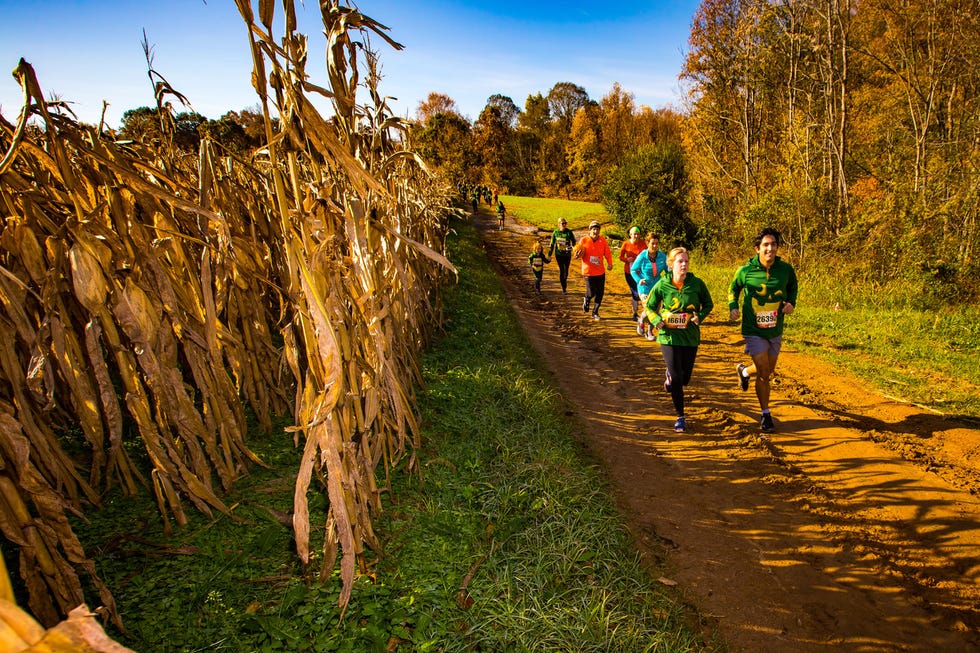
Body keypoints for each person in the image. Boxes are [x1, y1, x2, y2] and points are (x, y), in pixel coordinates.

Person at [728, 226, 799, 434]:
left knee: (767, 369)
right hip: (753, 329)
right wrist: (733, 307)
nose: (770, 249)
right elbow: (733, 289)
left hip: (775, 329)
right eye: (766, 245)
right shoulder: (745, 271)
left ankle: (743, 370)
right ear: (757, 248)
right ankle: (766, 414)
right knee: (765, 373)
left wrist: (791, 303)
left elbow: (793, 288)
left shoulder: (785, 270)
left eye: (774, 244)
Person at [647, 247, 713, 433]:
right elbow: (650, 306)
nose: (683, 265)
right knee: (677, 378)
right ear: (671, 265)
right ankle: (680, 416)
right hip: (668, 336)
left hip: (690, 336)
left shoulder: (697, 284)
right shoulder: (662, 285)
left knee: (685, 378)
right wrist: (656, 320)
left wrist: (700, 316)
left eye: (686, 261)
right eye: (679, 261)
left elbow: (708, 303)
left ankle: (671, 377)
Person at [572, 220, 613, 320]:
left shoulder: (602, 241)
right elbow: (577, 252)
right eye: (594, 229)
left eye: (597, 229)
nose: (595, 231)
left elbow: (607, 253)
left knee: (600, 293)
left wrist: (610, 263)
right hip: (588, 272)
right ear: (590, 231)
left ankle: (595, 312)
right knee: (591, 293)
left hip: (600, 272)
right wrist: (576, 255)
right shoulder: (584, 240)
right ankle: (587, 298)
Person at [630, 232, 667, 339]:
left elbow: (667, 271)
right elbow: (633, 270)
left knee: (656, 311)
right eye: (652, 244)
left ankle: (649, 332)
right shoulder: (642, 256)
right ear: (647, 243)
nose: (655, 246)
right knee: (649, 309)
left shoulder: (662, 256)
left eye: (656, 243)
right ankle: (641, 320)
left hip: (657, 288)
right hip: (644, 288)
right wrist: (639, 280)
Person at [619, 227, 647, 320]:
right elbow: (621, 257)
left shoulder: (643, 243)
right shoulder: (626, 244)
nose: (636, 236)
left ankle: (641, 313)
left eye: (637, 234)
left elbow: (648, 254)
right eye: (634, 234)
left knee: (642, 292)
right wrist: (627, 259)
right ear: (630, 235)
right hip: (629, 272)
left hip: (641, 272)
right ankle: (635, 312)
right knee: (635, 293)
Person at [547, 218, 576, 293]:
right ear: (559, 224)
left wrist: (572, 248)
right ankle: (564, 288)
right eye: (562, 223)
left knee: (566, 272)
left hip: (567, 255)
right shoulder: (555, 232)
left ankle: (564, 280)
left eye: (565, 223)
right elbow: (552, 244)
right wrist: (549, 255)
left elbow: (574, 241)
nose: (564, 225)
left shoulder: (569, 232)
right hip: (559, 255)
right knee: (562, 270)